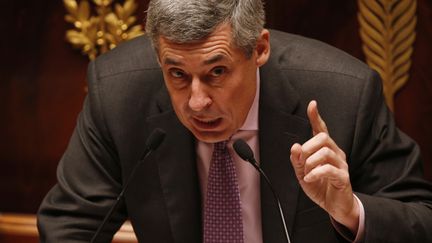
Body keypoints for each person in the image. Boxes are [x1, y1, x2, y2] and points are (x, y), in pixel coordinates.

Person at [37, 0, 432, 242]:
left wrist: (351, 211)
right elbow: (70, 226)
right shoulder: (118, 95)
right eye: (177, 74)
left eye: (217, 72)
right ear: (158, 56)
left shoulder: (345, 96)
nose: (196, 101)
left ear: (258, 49)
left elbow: (421, 220)